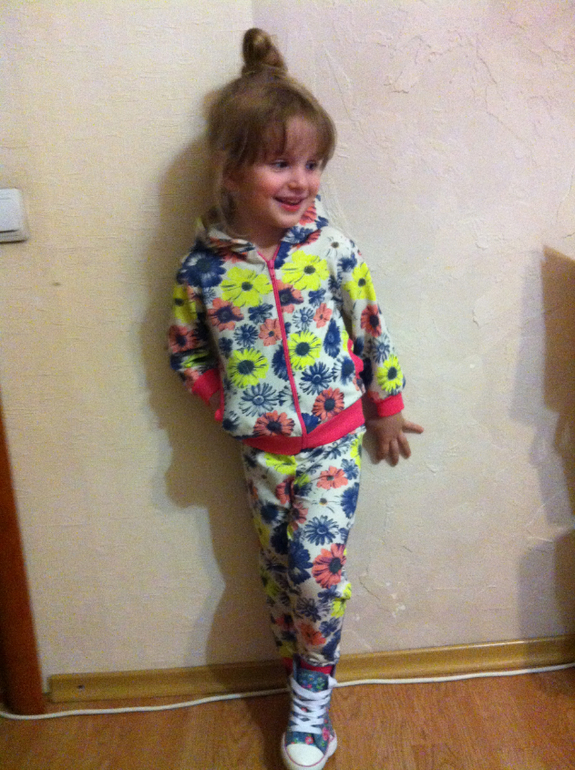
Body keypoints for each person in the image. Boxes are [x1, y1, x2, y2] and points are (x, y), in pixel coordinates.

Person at [168, 27, 423, 770]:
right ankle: (298, 677)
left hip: (333, 442)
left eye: (312, 164)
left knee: (316, 572)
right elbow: (183, 350)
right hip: (261, 453)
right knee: (281, 579)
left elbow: (369, 326)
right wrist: (226, 405)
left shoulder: (330, 249)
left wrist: (384, 406)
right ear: (229, 170)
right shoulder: (202, 271)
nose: (301, 180)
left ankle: (313, 699)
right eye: (281, 163)